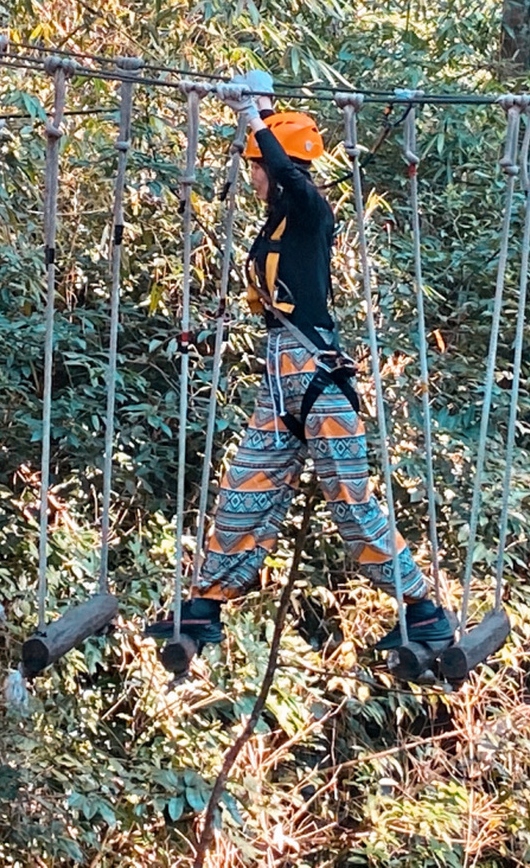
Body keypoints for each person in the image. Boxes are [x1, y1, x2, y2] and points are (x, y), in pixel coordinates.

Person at [149, 75, 453, 652]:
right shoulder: (281, 220)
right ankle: (207, 602)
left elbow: (289, 173)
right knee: (243, 488)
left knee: (352, 505)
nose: (252, 172)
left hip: (317, 379)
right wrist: (259, 106)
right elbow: (280, 177)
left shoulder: (313, 211)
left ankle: (424, 607)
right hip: (279, 381)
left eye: (256, 163)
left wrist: (252, 119)